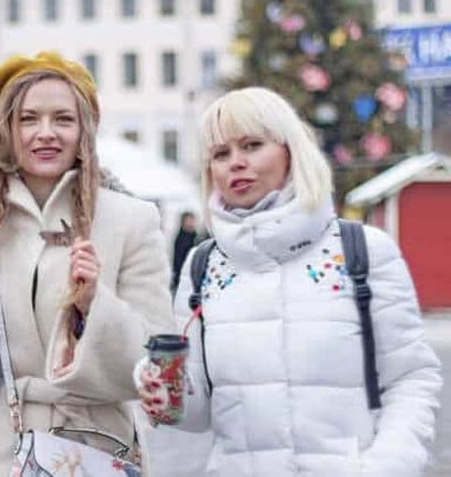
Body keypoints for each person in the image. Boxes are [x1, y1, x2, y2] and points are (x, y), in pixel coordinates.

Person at [136, 87, 442, 476]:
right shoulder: (202, 267)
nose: (236, 163)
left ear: (290, 151)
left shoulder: (363, 251)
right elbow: (197, 413)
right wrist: (161, 390)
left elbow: (411, 378)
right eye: (221, 154)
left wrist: (387, 465)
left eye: (252, 145)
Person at [0, 51, 174, 476]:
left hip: (91, 449)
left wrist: (94, 308)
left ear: (84, 131)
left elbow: (156, 363)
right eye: (29, 119)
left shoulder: (131, 220)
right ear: (7, 130)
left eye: (63, 119)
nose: (46, 133)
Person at [170, 211, 199, 296]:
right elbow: (178, 260)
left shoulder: (196, 236)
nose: (190, 223)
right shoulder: (181, 239)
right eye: (188, 220)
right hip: (182, 274)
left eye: (192, 220)